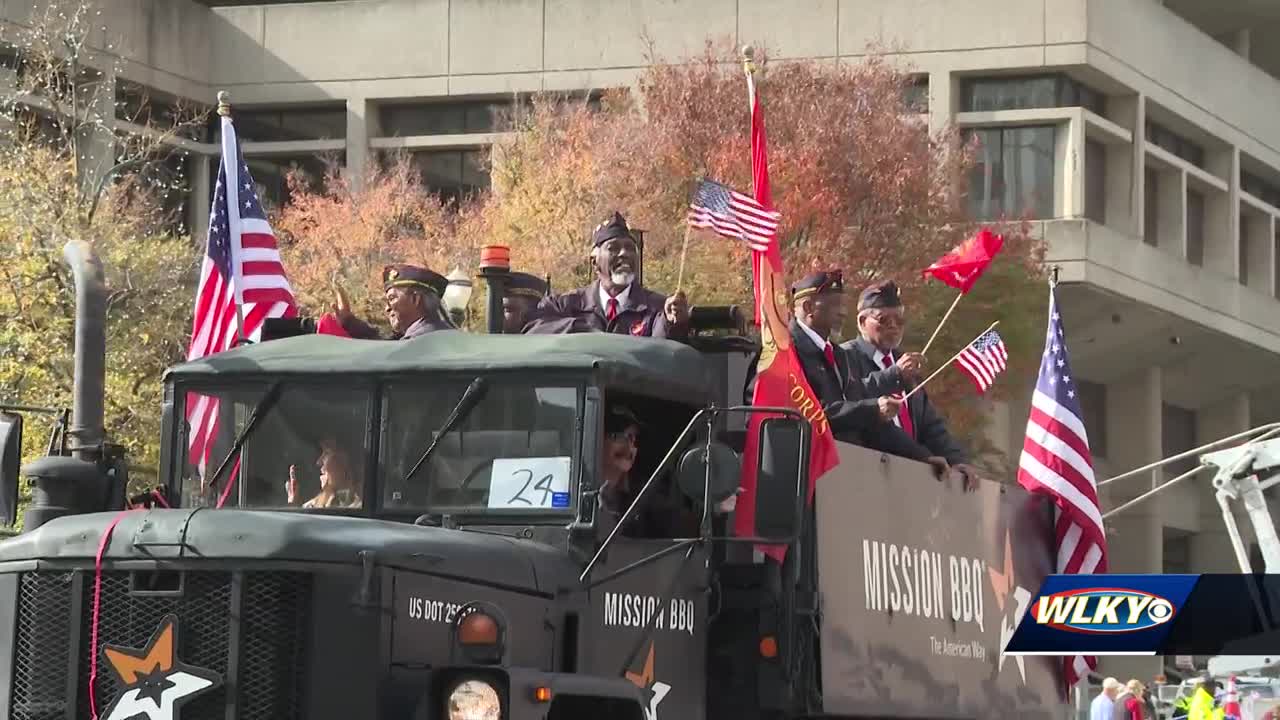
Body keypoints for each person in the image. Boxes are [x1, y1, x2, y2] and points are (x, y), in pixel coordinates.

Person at [752, 270, 948, 475]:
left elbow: (870, 422)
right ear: (809, 307)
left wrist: (921, 456)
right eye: (835, 305)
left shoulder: (838, 355)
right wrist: (873, 409)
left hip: (844, 475)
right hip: (797, 474)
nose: (843, 312)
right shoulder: (783, 352)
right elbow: (808, 414)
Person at [841, 280, 979, 484]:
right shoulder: (845, 356)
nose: (894, 326)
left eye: (899, 320)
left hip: (911, 479)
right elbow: (855, 400)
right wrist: (894, 374)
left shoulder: (905, 362)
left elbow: (930, 424)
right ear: (862, 322)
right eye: (884, 320)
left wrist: (956, 459)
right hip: (870, 474)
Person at [524, 212, 691, 339]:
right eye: (613, 248)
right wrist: (583, 331)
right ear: (594, 262)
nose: (624, 253)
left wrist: (673, 323)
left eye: (630, 248)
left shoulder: (657, 308)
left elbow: (661, 351)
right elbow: (533, 327)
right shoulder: (565, 305)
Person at [597, 404, 736, 538]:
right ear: (597, 439)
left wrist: (714, 506)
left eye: (632, 438)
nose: (628, 446)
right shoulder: (579, 489)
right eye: (617, 437)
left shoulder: (642, 493)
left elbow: (676, 524)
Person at [329, 263, 454, 340]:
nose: (387, 308)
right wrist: (349, 321)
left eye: (392, 299)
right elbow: (382, 342)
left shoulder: (418, 344)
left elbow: (382, 352)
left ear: (415, 299)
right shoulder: (444, 335)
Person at [285, 439, 363, 509]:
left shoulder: (361, 509)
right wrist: (293, 504)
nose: (319, 462)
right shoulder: (314, 505)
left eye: (327, 453)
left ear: (346, 461)